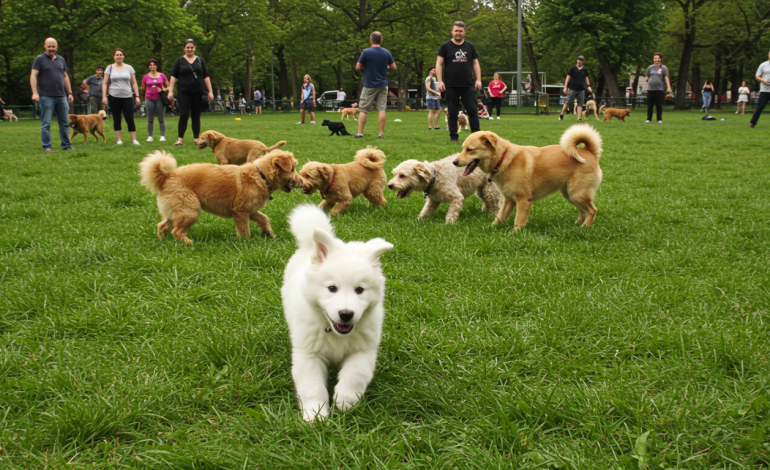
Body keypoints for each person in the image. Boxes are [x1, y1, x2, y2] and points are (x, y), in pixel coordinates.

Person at [436, 21, 481, 143]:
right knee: (452, 112)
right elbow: (439, 64)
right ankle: (454, 137)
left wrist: (478, 79)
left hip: (468, 84)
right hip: (451, 85)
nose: (458, 33)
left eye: (460, 31)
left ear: (464, 32)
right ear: (452, 31)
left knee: (472, 111)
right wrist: (440, 81)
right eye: (456, 30)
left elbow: (475, 63)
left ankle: (476, 137)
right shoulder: (445, 46)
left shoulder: (470, 46)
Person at [30, 38, 75, 152]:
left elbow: (65, 76)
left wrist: (69, 92)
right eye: (49, 46)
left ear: (57, 47)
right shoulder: (40, 59)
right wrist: (35, 92)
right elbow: (33, 76)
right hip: (46, 96)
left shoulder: (61, 60)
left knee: (65, 123)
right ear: (45, 46)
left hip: (61, 96)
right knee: (46, 123)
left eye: (53, 46)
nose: (51, 48)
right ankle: (47, 146)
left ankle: (66, 145)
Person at [167, 39, 214, 145]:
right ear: (184, 48)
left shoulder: (200, 61)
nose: (190, 49)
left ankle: (196, 139)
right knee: (183, 114)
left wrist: (210, 91)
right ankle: (180, 139)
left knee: (196, 115)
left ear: (195, 48)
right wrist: (170, 91)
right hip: (184, 92)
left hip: (198, 92)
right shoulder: (179, 61)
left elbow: (206, 76)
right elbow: (173, 76)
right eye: (187, 47)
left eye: (192, 47)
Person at [354, 31, 396, 138]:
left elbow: (358, 67)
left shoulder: (366, 52)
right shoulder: (387, 53)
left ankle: (360, 133)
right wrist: (385, 67)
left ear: (370, 40)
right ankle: (381, 133)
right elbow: (393, 67)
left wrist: (363, 67)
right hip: (383, 84)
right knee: (381, 108)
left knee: (363, 109)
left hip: (369, 84)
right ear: (381, 41)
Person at [102, 48, 141, 145]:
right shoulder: (109, 67)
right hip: (113, 96)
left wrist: (137, 96)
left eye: (121, 55)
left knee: (129, 117)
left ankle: (134, 140)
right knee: (117, 118)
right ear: (113, 56)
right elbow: (104, 83)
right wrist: (104, 96)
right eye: (117, 55)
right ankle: (119, 140)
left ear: (123, 56)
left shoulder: (129, 68)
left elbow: (134, 83)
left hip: (127, 96)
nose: (119, 56)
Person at [141, 59, 168, 142]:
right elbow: (143, 88)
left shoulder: (162, 75)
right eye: (150, 65)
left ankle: (162, 136)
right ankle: (150, 136)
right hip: (149, 98)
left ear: (156, 66)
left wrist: (164, 89)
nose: (152, 66)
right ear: (148, 66)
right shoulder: (145, 76)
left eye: (154, 65)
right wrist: (144, 96)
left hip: (159, 98)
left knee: (161, 118)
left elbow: (169, 86)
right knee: (150, 119)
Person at [558, 55, 592, 122]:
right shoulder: (573, 69)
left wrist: (588, 86)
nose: (579, 61)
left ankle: (579, 118)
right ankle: (561, 114)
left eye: (581, 60)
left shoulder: (585, 70)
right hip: (572, 89)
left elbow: (586, 79)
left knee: (580, 104)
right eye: (578, 60)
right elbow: (568, 78)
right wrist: (565, 87)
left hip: (581, 90)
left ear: (583, 62)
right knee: (567, 103)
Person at [644, 52, 672, 124]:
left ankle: (659, 119)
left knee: (659, 104)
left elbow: (666, 77)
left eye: (658, 58)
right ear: (653, 59)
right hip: (650, 89)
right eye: (655, 58)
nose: (657, 60)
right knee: (650, 105)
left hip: (659, 89)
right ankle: (648, 119)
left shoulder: (663, 68)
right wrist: (647, 79)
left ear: (660, 59)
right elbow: (647, 75)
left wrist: (669, 87)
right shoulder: (650, 67)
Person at [750, 51, 770, 128]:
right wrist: (764, 81)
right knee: (760, 107)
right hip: (765, 90)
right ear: (768, 55)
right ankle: (753, 123)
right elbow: (757, 76)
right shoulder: (763, 65)